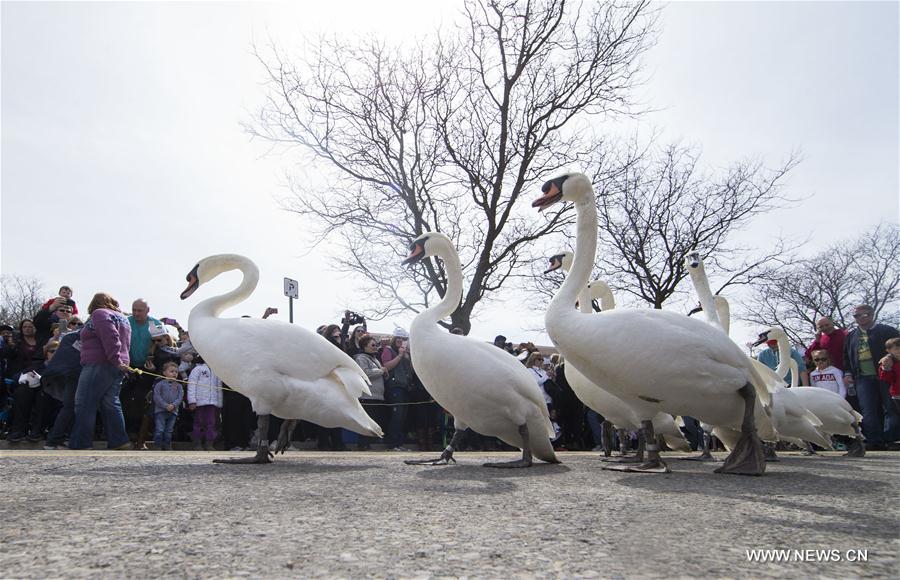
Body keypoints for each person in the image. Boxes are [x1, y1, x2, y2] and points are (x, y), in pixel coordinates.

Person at [68, 292, 131, 451]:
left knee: (84, 402)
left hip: (99, 363)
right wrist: (120, 362)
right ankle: (119, 441)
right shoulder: (123, 318)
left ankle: (81, 443)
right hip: (118, 365)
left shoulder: (100, 313)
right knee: (111, 403)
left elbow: (111, 337)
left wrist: (115, 359)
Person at [843, 304, 900, 450]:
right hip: (862, 377)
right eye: (857, 316)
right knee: (867, 409)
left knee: (890, 407)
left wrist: (889, 357)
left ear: (872, 314)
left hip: (887, 375)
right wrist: (848, 373)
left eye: (864, 314)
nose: (861, 318)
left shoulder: (887, 330)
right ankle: (874, 440)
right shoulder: (851, 336)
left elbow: (897, 348)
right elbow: (846, 357)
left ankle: (891, 439)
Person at [42, 318, 86, 449]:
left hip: (69, 375)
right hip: (73, 375)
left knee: (70, 408)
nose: (76, 326)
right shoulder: (76, 338)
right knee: (70, 407)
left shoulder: (69, 337)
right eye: (74, 323)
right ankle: (54, 441)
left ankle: (58, 439)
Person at [353, 334, 388, 450]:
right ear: (365, 346)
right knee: (366, 421)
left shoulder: (375, 359)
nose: (375, 347)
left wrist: (384, 373)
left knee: (374, 420)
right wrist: (381, 371)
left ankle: (367, 443)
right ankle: (363, 443)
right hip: (368, 396)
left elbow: (379, 373)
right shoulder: (361, 358)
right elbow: (365, 373)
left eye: (376, 345)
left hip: (377, 396)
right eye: (372, 345)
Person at [382, 329, 413, 451]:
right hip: (395, 387)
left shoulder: (405, 353)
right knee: (396, 415)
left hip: (405, 387)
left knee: (403, 416)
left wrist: (407, 356)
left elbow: (410, 371)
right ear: (394, 339)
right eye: (398, 338)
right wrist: (400, 355)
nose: (401, 341)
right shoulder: (388, 350)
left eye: (403, 339)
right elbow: (386, 366)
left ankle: (399, 443)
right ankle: (392, 443)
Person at [187, 355, 222, 450]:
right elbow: (191, 385)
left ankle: (209, 443)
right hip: (199, 402)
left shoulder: (216, 371)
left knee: (211, 423)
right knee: (198, 422)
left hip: (212, 403)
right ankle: (197, 443)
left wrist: (219, 402)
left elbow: (219, 388)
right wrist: (192, 401)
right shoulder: (197, 369)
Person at [152, 362, 184, 451]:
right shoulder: (160, 384)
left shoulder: (179, 386)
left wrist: (173, 405)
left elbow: (180, 397)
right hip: (160, 411)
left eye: (176, 372)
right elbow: (156, 397)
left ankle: (167, 445)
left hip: (173, 411)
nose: (174, 373)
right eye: (171, 371)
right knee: (160, 429)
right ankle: (157, 445)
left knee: (169, 430)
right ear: (164, 373)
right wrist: (165, 405)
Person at [879, 337, 900, 415]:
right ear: (889, 350)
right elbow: (886, 379)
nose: (899, 350)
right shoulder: (888, 362)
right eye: (897, 348)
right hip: (898, 395)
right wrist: (886, 368)